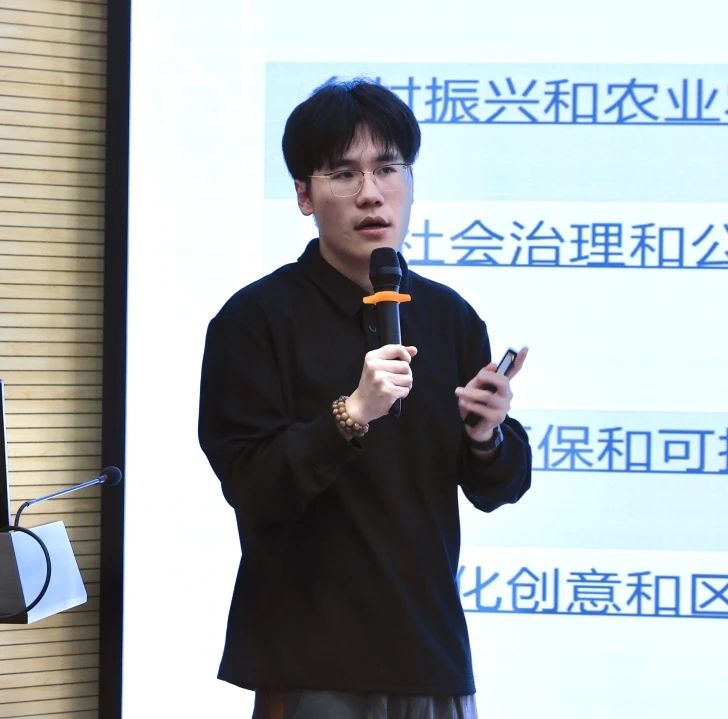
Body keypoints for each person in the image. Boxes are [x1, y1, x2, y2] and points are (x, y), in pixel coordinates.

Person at [198, 78, 532, 719]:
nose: (371, 193)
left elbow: (498, 489)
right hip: (312, 662)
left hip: (431, 655)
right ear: (304, 194)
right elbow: (252, 485)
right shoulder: (254, 320)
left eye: (387, 168)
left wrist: (488, 436)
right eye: (343, 173)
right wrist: (350, 415)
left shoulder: (449, 316)